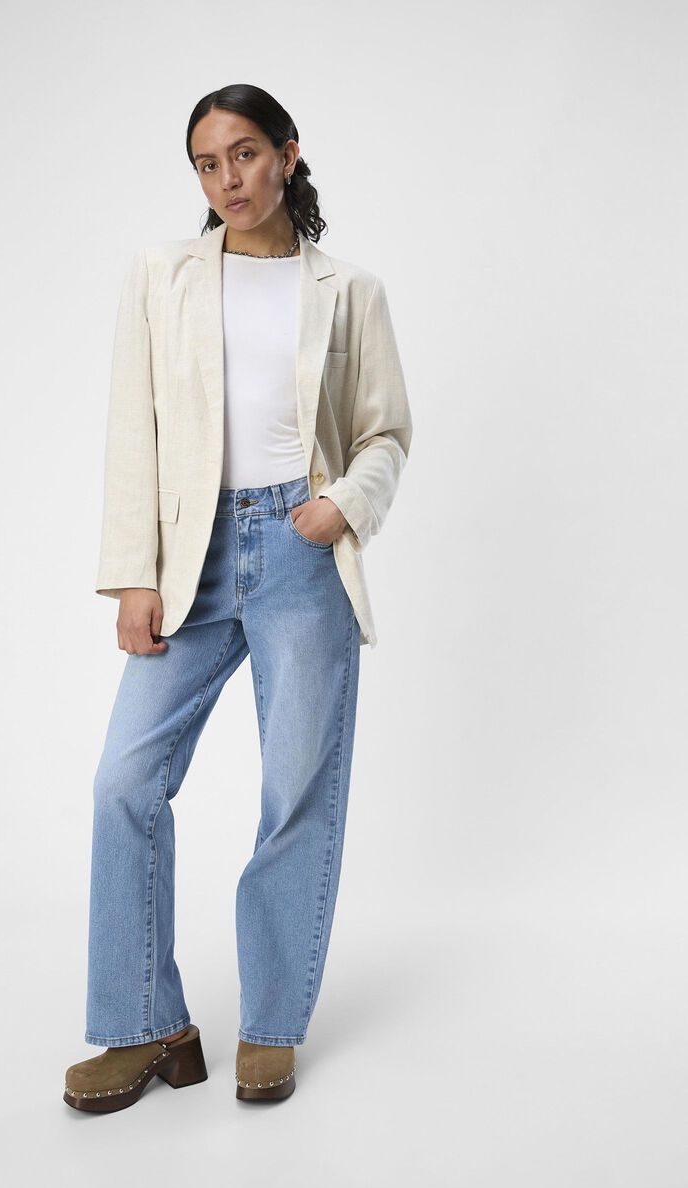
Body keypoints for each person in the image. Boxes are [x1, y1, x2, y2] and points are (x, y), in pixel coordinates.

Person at [63, 83, 413, 1113]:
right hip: (190, 558)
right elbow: (134, 426)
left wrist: (342, 506)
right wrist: (133, 575)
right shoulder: (162, 275)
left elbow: (387, 430)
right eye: (209, 164)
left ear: (288, 155)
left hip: (302, 550)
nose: (229, 179)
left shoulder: (348, 289)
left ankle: (272, 1024)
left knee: (296, 791)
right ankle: (147, 1027)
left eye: (247, 154)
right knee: (125, 783)